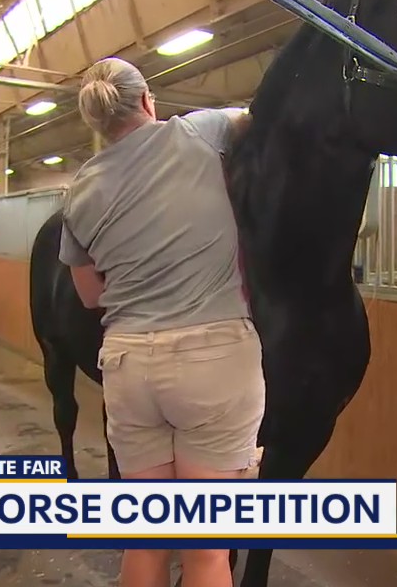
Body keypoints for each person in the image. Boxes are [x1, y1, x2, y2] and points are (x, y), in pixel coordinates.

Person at [58, 57, 261, 587]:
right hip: (211, 358)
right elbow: (260, 118)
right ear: (148, 101)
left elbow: (88, 295)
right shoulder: (199, 131)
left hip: (127, 363)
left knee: (146, 539)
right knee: (207, 550)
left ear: (95, 122)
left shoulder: (79, 189)